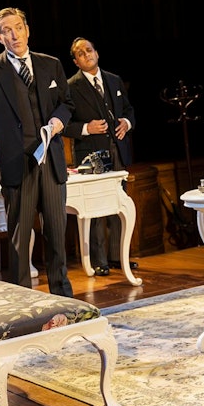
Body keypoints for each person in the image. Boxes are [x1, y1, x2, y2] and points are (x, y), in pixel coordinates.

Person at [0, 7, 75, 297]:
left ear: (27, 29)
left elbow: (66, 103)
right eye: (6, 30)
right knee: (20, 237)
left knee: (57, 233)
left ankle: (63, 297)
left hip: (51, 161)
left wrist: (58, 121)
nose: (14, 34)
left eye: (18, 27)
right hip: (16, 163)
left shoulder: (50, 64)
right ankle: (22, 298)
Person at [63, 37, 138, 274]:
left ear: (97, 52)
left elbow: (128, 110)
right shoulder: (70, 87)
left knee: (118, 204)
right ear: (76, 61)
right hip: (90, 154)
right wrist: (86, 128)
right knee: (94, 209)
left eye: (89, 49)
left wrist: (126, 123)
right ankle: (99, 261)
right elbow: (62, 124)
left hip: (117, 150)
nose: (87, 54)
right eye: (80, 53)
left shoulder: (113, 79)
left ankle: (118, 256)